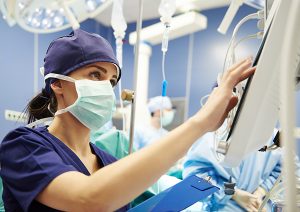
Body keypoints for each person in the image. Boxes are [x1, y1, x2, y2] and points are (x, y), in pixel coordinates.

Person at [0, 28, 255, 211]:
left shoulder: (108, 161)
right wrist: (200, 123)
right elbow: (89, 199)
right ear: (57, 83)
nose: (106, 87)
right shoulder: (23, 146)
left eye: (111, 81)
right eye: (95, 75)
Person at [183, 131, 282, 211]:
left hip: (258, 206)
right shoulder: (216, 132)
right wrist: (233, 193)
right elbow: (196, 179)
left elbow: (283, 170)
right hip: (223, 206)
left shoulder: (273, 137)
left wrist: (260, 192)